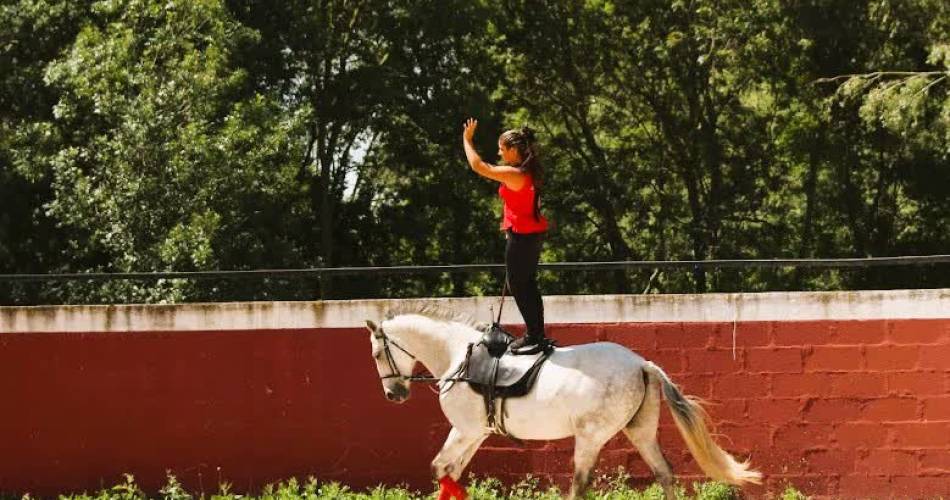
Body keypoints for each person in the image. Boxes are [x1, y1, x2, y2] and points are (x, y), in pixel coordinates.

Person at [462, 118, 551, 355]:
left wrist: (466, 140)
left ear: (513, 150)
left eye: (502, 148)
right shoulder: (529, 172)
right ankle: (537, 334)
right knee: (527, 284)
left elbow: (479, 166)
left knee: (520, 286)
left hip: (523, 237)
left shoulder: (515, 174)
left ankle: (535, 336)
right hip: (530, 234)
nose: (499, 152)